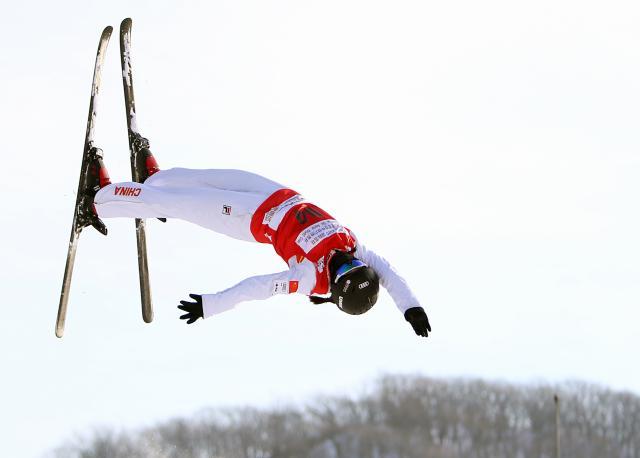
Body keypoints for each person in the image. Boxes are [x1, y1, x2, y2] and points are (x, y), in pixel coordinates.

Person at [81, 135, 431, 337]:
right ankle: (153, 178)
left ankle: (99, 201)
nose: (345, 261)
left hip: (247, 218)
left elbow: (259, 288)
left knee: (180, 204)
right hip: (276, 194)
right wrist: (411, 308)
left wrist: (213, 304)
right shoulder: (354, 250)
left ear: (334, 286)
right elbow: (389, 274)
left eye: (342, 272)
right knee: (208, 177)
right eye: (353, 265)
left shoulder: (308, 277)